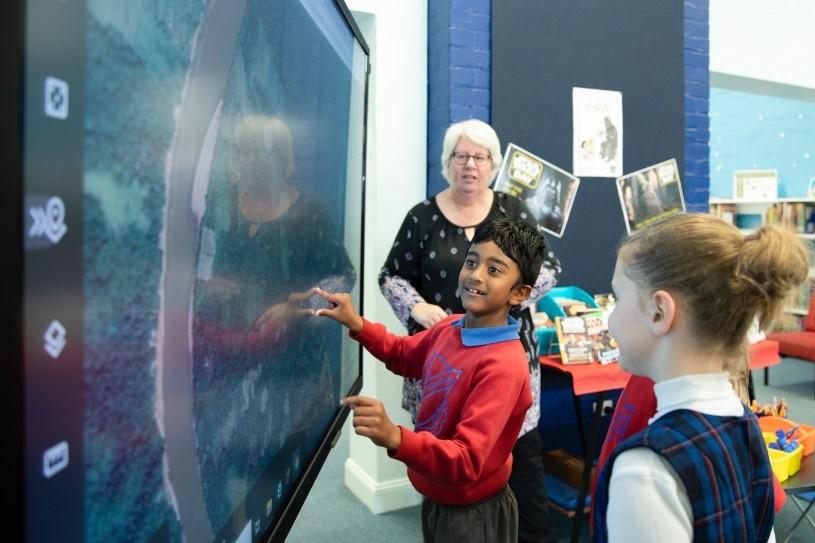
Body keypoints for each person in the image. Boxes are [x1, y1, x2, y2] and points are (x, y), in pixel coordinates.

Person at [379, 119, 560, 542]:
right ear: (447, 163)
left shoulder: (513, 211)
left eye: (479, 157)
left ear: (493, 164)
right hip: (442, 363)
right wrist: (418, 307)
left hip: (502, 363)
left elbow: (549, 271)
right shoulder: (422, 217)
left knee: (525, 487)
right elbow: (391, 276)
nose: (470, 165)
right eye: (461, 156)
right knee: (448, 477)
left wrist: (502, 302)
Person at [316, 218, 547, 542]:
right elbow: (403, 354)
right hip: (438, 492)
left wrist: (395, 437)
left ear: (519, 293)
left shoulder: (503, 367)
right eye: (471, 261)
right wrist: (357, 323)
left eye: (494, 270)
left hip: (472, 512)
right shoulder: (450, 326)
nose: (475, 275)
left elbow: (466, 459)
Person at [592, 213, 809, 542]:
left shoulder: (645, 471)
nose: (611, 319)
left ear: (658, 312)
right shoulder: (745, 422)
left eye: (618, 298)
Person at [191, 114, 355, 524]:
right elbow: (187, 265)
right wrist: (202, 286)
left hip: (288, 382)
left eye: (263, 151)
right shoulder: (218, 206)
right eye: (244, 150)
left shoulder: (311, 215)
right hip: (224, 371)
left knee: (273, 486)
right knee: (220, 480)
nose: (251, 160)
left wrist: (295, 312)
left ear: (285, 160)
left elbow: (341, 281)